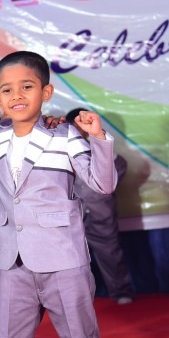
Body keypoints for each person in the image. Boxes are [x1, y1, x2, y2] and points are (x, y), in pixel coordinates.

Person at [0, 51, 124, 338]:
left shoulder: (65, 137)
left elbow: (102, 183)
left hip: (64, 261)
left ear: (46, 92)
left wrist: (98, 137)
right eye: (7, 90)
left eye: (26, 87)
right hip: (13, 264)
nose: (17, 95)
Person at [65, 107, 134, 306]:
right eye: (75, 126)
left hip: (100, 215)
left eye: (83, 124)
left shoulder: (102, 149)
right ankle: (75, 298)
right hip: (71, 216)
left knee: (111, 255)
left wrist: (101, 150)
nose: (79, 129)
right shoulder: (59, 151)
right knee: (70, 262)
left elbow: (119, 170)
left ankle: (121, 292)